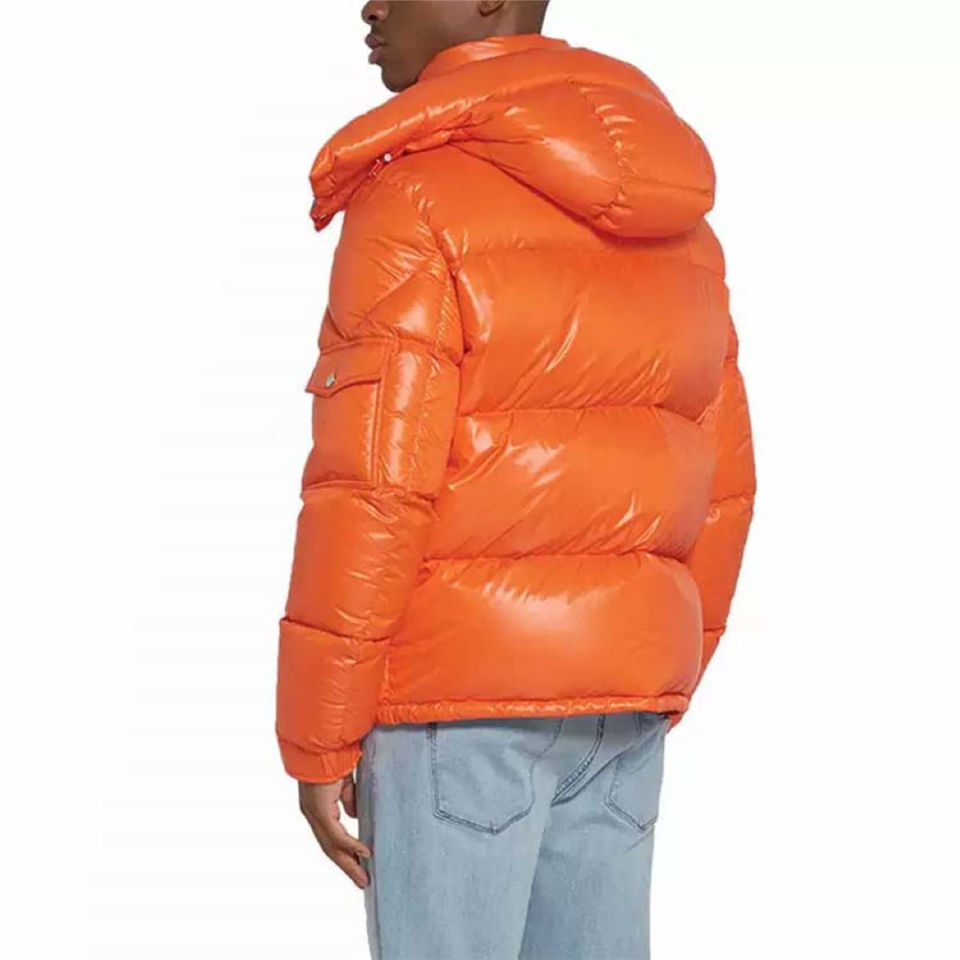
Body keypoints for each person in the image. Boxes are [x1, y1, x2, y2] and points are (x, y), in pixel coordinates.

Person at [276, 1, 755, 956]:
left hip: (456, 710)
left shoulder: (415, 199)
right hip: (621, 705)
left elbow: (374, 489)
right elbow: (724, 477)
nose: (370, 5)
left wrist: (318, 734)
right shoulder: (680, 223)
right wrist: (657, 665)